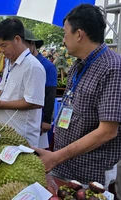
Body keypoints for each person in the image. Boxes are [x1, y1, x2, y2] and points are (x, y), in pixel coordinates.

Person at [32, 4, 121, 188]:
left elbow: (108, 131)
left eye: (65, 34)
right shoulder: (76, 66)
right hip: (64, 167)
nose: (64, 40)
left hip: (91, 178)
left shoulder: (112, 69)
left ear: (79, 34)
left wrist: (55, 157)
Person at [0, 18, 46, 147]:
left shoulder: (33, 66)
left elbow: (33, 102)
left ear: (17, 39)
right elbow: (4, 91)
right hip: (5, 133)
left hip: (23, 138)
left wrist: (1, 104)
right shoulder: (9, 63)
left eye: (4, 45)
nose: (1, 50)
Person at [23, 29, 57, 135]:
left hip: (39, 118)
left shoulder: (47, 66)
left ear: (32, 44)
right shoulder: (21, 65)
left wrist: (46, 120)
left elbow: (50, 93)